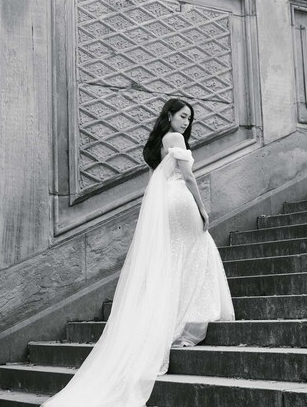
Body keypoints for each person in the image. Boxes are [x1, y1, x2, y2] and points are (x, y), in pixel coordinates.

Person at [42, 99, 235, 407]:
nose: (186, 122)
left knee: (179, 255)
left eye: (189, 118)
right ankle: (188, 321)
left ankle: (176, 319)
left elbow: (156, 179)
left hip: (166, 203)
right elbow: (188, 177)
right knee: (197, 250)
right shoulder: (175, 138)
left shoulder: (156, 143)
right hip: (181, 200)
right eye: (183, 116)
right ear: (170, 115)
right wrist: (202, 207)